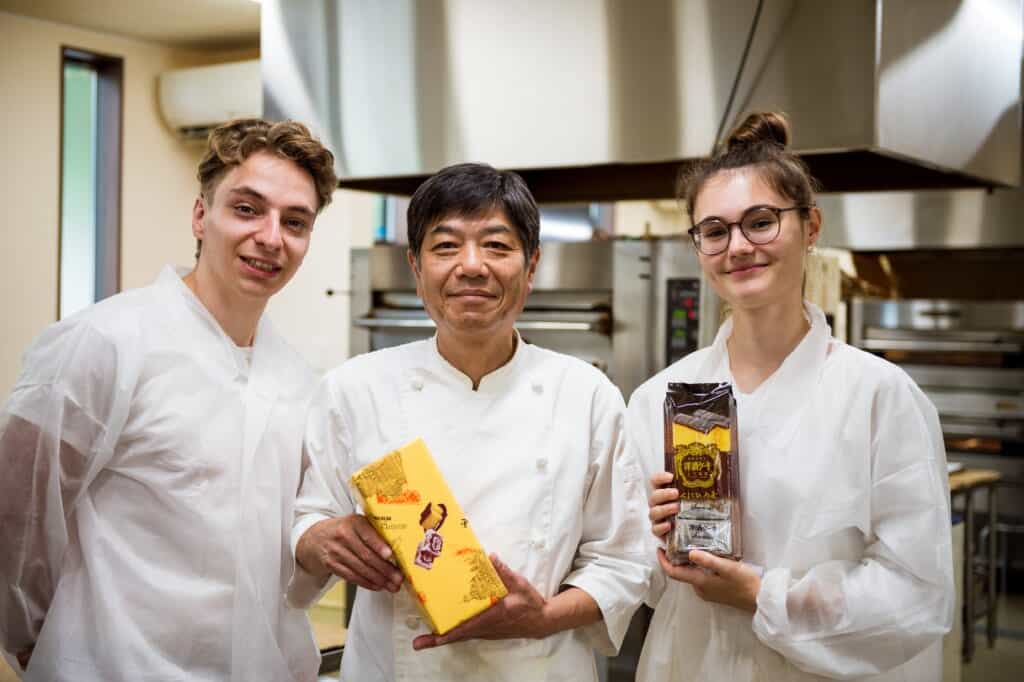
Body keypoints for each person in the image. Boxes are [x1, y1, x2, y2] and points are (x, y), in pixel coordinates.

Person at [0, 119, 338, 681]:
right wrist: (35, 647)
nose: (272, 237)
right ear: (201, 216)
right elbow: (16, 516)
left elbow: (284, 556)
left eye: (295, 221)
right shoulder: (105, 344)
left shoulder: (299, 382)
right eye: (248, 208)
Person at [288, 162, 650, 681]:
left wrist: (543, 617)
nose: (472, 266)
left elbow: (624, 560)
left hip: (538, 668)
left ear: (531, 267)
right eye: (446, 246)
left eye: (497, 246)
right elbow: (307, 518)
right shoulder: (354, 389)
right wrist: (319, 538)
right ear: (416, 269)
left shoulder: (587, 395)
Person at [632, 112, 954, 681]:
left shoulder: (878, 395)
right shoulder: (662, 397)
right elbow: (647, 583)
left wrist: (762, 595)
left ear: (810, 227)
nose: (737, 247)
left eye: (760, 222)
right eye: (714, 230)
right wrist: (656, 534)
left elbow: (918, 596)